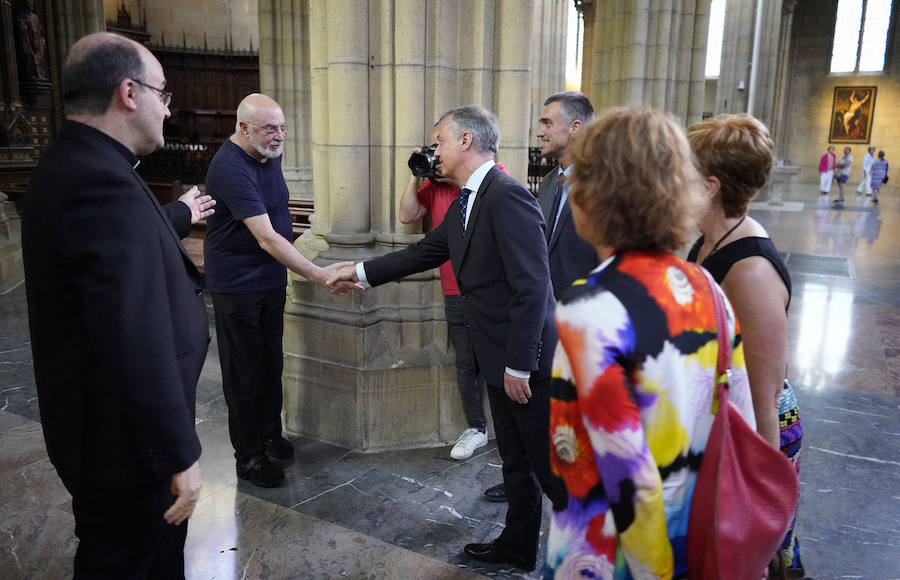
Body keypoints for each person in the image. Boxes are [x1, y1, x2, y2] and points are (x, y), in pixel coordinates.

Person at [330, 104, 565, 572]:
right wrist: (357, 272)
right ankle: (518, 546)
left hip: (524, 364)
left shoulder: (507, 195)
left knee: (552, 470)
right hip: (497, 355)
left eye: (438, 142)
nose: (432, 151)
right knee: (516, 461)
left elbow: (533, 285)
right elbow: (425, 251)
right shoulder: (466, 200)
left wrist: (520, 363)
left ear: (465, 142)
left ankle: (593, 556)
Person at [21, 32, 216, 577]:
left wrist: (179, 213)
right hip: (128, 447)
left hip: (110, 434)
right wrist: (179, 452)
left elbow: (125, 244)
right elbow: (131, 334)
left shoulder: (79, 164)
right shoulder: (99, 183)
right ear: (129, 93)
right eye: (162, 92)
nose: (166, 107)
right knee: (135, 563)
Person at [543, 106, 755, 579]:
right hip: (698, 535)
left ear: (596, 193)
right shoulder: (706, 286)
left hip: (611, 557)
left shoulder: (590, 308)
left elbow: (630, 483)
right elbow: (744, 423)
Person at [203, 93, 358, 488]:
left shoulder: (267, 156)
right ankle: (249, 455)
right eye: (269, 128)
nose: (279, 136)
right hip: (237, 286)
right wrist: (318, 274)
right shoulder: (230, 166)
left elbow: (278, 213)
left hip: (269, 281)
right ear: (243, 128)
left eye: (282, 127)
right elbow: (267, 238)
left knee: (271, 363)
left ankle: (270, 433)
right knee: (245, 372)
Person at [686, 114, 805, 577]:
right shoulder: (712, 238)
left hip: (756, 432)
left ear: (710, 185)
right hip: (722, 418)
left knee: (744, 556)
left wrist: (758, 498)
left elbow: (766, 395)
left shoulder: (751, 270)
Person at [482, 91, 599, 504]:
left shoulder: (603, 185)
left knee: (576, 418)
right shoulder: (550, 181)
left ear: (576, 127)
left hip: (585, 321)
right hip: (546, 320)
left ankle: (575, 494)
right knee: (540, 415)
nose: (539, 131)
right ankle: (526, 480)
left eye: (548, 122)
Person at [398, 126, 509, 460]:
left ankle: (509, 433)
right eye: (436, 147)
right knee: (465, 363)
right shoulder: (435, 184)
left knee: (499, 361)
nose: (439, 154)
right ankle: (476, 427)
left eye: (442, 144)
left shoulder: (493, 180)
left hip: (489, 292)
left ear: (465, 143)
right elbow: (407, 216)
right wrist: (416, 174)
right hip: (453, 288)